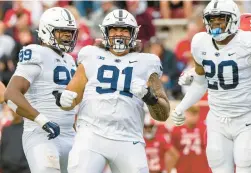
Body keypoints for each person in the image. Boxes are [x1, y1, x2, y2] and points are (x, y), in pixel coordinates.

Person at [53, 9, 170, 173]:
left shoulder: (147, 62)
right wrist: (64, 100)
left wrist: (148, 97)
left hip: (128, 138)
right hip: (91, 135)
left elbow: (163, 114)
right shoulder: (90, 55)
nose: (119, 34)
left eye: (124, 30)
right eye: (114, 29)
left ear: (133, 34)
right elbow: (71, 99)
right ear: (105, 32)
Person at [171, 0, 251, 173]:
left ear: (234, 20)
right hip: (217, 117)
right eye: (211, 19)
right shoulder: (200, 42)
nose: (215, 24)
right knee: (218, 164)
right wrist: (181, 107)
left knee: (246, 162)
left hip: (246, 116)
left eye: (221, 19)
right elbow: (201, 83)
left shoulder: (246, 43)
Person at [4, 7, 78, 173]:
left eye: (70, 32)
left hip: (70, 136)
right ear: (47, 31)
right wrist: (42, 120)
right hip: (42, 135)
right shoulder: (36, 52)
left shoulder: (70, 60)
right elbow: (11, 94)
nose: (67, 36)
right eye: (62, 31)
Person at [170, 106, 210, 173]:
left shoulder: (204, 129)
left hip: (201, 168)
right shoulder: (176, 130)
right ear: (185, 113)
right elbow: (172, 151)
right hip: (183, 168)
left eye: (195, 114)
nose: (193, 117)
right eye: (191, 114)